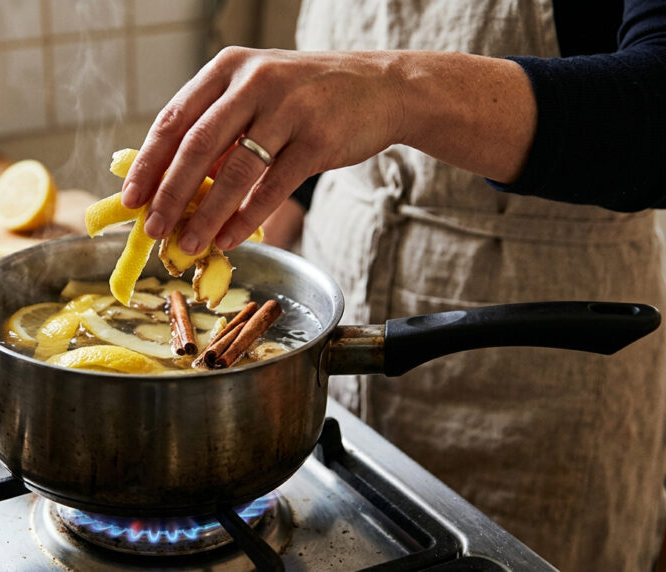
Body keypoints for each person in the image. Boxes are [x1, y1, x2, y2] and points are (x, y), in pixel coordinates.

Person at [119, 1, 666, 570]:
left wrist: (397, 89)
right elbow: (330, 120)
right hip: (333, 344)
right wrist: (252, 250)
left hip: (532, 371)